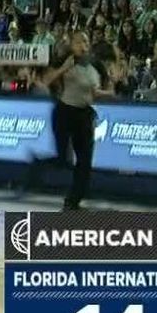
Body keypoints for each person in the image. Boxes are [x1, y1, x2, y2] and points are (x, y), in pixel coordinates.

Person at [43, 31, 111, 210]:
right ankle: (37, 165)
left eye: (86, 41)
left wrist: (108, 93)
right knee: (62, 160)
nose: (83, 45)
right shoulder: (64, 60)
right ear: (71, 45)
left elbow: (102, 89)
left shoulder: (96, 65)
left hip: (84, 114)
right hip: (64, 112)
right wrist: (64, 68)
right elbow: (46, 80)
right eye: (79, 42)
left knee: (84, 162)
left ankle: (72, 202)